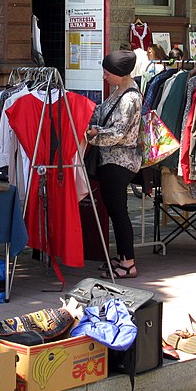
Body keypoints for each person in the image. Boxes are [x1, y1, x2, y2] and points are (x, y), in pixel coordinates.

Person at [86, 50, 143, 279]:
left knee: (119, 212)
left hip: (119, 161)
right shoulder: (119, 90)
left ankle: (128, 262)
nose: (105, 76)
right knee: (114, 210)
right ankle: (121, 256)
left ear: (120, 74)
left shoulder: (129, 97)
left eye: (108, 72)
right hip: (110, 159)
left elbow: (118, 133)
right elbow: (101, 111)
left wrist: (92, 134)